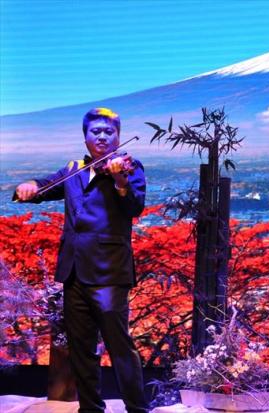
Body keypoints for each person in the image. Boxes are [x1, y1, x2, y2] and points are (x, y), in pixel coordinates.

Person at [15, 108, 148, 413]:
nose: (102, 137)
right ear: (85, 136)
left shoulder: (130, 166)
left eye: (109, 132)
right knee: (81, 348)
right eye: (95, 131)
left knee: (120, 347)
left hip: (109, 273)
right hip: (73, 271)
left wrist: (119, 180)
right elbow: (45, 186)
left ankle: (137, 409)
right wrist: (28, 186)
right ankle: (89, 409)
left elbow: (134, 207)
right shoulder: (74, 168)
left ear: (118, 136)